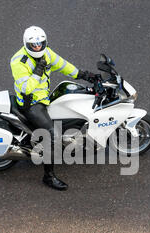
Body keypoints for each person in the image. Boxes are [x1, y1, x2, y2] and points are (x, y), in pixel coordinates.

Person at [10, 26, 95, 191]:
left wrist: (85, 75)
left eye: (40, 44)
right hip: (31, 104)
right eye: (33, 45)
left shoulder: (46, 53)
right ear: (26, 44)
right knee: (52, 134)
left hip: (44, 99)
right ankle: (48, 177)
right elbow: (26, 88)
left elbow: (63, 65)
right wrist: (38, 71)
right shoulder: (19, 61)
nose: (37, 48)